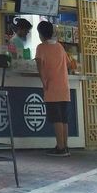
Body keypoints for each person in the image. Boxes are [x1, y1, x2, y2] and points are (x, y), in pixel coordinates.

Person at [35, 20, 74, 156]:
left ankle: (60, 147)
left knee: (56, 118)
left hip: (51, 86)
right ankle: (65, 146)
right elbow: (69, 64)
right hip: (64, 86)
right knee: (63, 118)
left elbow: (39, 66)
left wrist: (43, 81)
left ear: (40, 34)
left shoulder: (41, 48)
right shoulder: (60, 47)